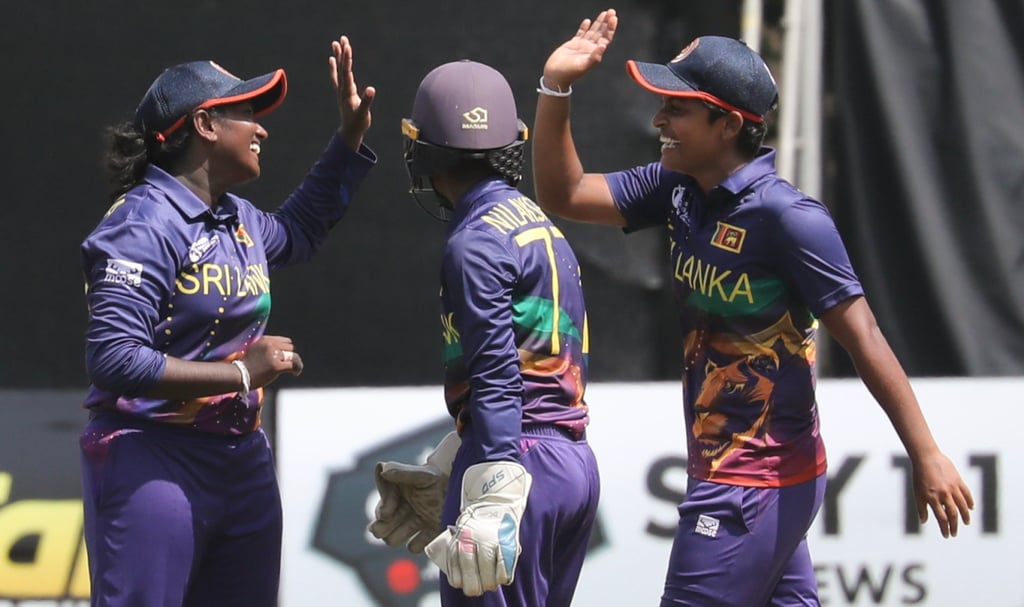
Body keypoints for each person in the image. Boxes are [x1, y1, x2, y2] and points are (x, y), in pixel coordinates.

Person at [531, 9, 975, 606]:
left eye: (677, 109)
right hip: (748, 478)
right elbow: (564, 193)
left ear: (728, 124)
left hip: (750, 483)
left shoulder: (789, 219)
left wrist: (926, 453)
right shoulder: (680, 188)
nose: (659, 119)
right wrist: (556, 87)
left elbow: (863, 335)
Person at [78, 36, 375, 606]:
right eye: (246, 112)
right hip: (151, 455)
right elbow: (114, 359)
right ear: (206, 125)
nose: (260, 127)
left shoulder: (235, 217)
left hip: (240, 459)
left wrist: (349, 140)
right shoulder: (141, 223)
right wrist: (241, 374)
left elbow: (298, 231)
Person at [366, 59, 600, 607]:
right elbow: (545, 358)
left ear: (423, 151)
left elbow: (497, 370)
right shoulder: (542, 226)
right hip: (571, 464)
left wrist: (492, 476)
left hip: (515, 462)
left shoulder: (472, 241)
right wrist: (456, 451)